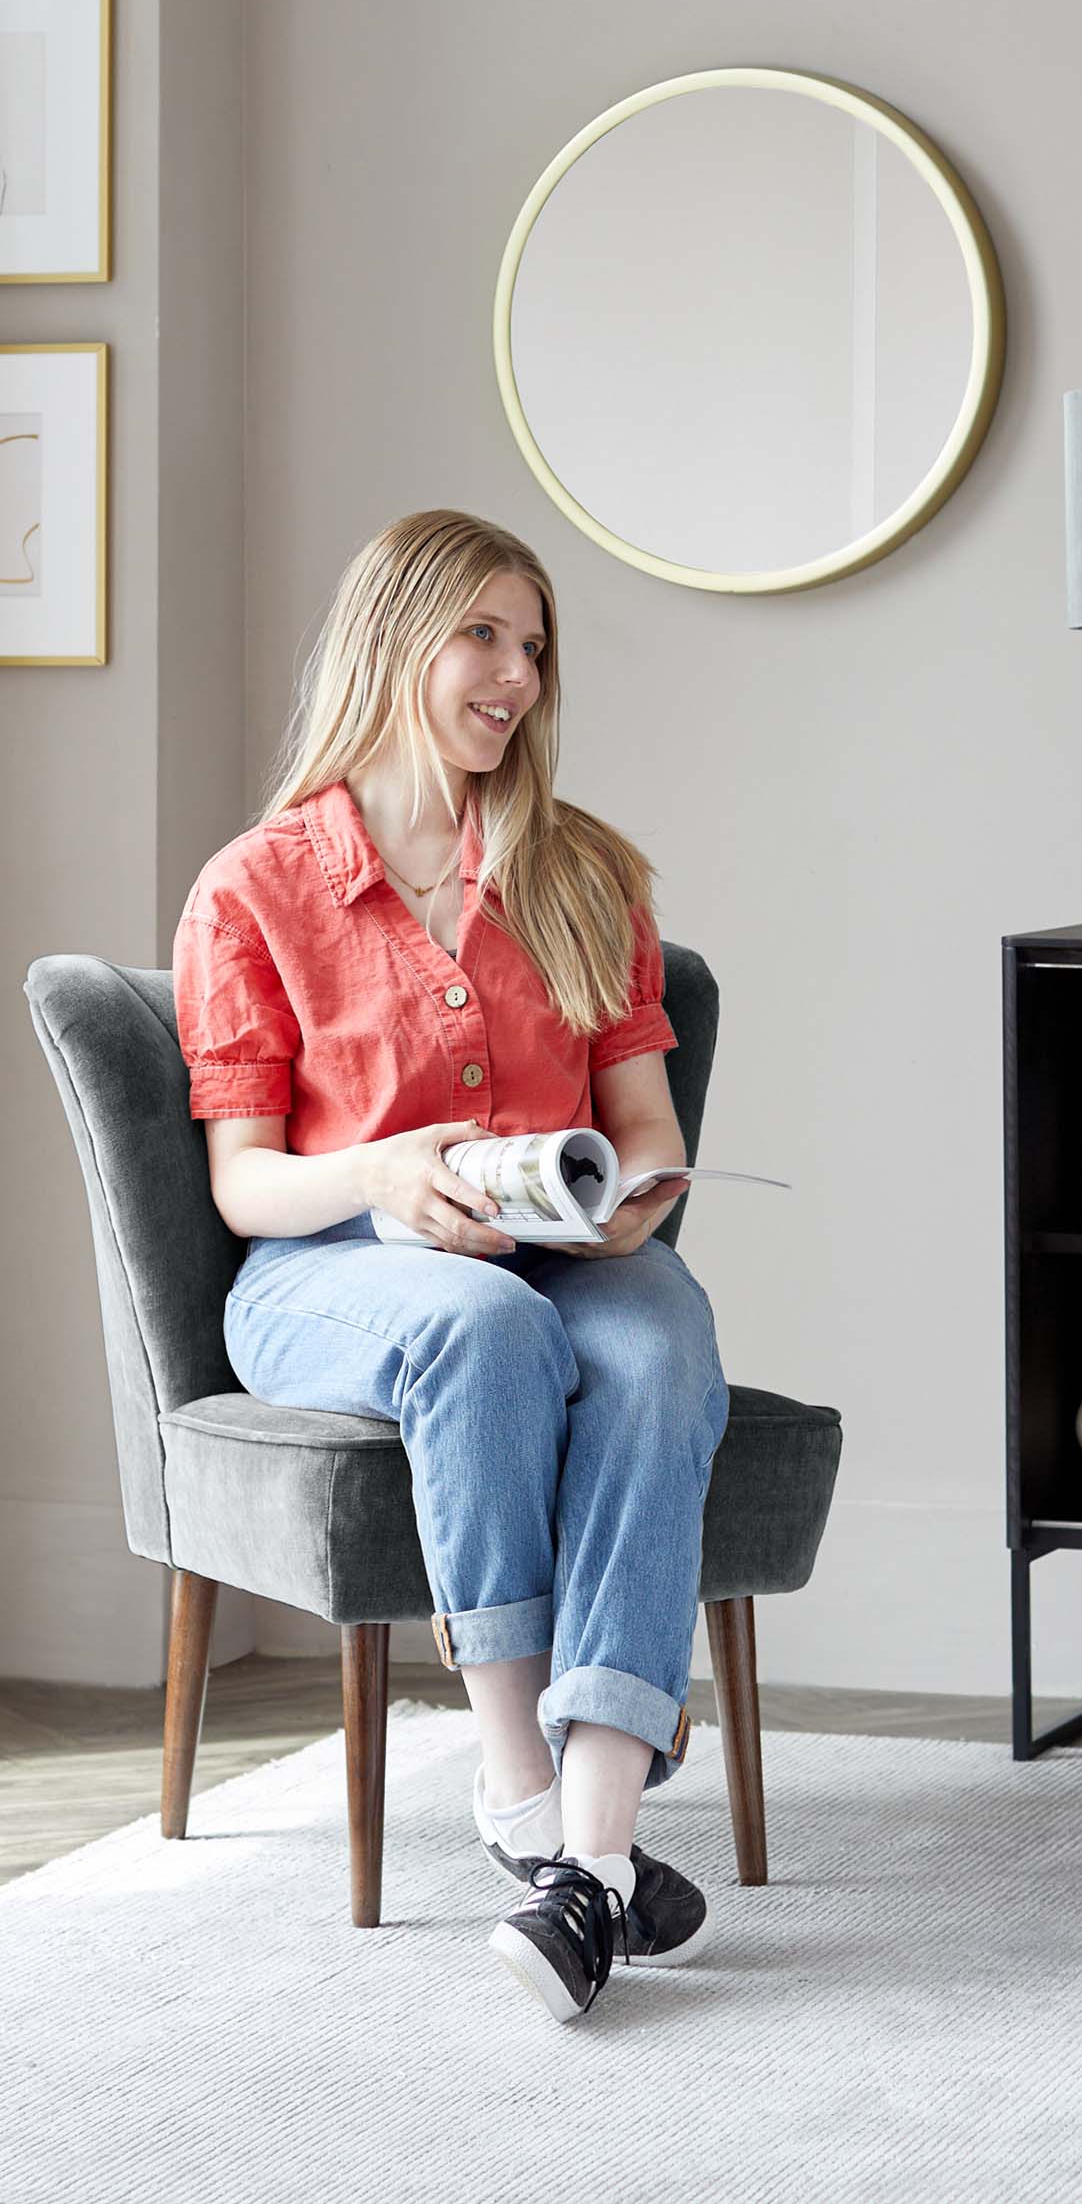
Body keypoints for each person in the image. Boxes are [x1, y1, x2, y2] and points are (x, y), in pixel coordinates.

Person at [171, 508, 731, 2025]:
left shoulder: (585, 871)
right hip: (326, 1268)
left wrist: (631, 1201)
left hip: (551, 1255)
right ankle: (515, 1780)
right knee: (480, 1326)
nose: (515, 676)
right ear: (396, 637)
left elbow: (644, 1128)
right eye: (484, 634)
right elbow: (244, 1182)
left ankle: (591, 1859)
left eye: (534, 647)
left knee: (664, 1325)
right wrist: (383, 1175)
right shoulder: (257, 886)